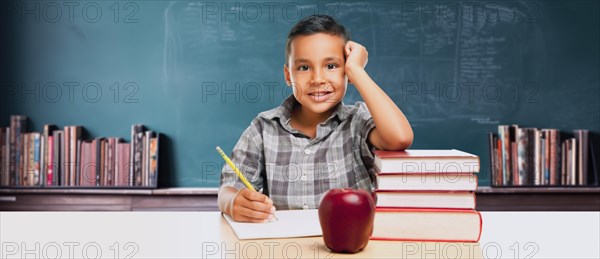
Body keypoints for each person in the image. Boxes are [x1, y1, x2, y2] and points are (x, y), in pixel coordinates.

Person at [218, 15, 413, 222]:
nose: (317, 79)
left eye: (331, 66)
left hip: (350, 249)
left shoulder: (357, 122)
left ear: (347, 71)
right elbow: (228, 189)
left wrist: (358, 71)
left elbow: (399, 138)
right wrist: (233, 202)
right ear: (287, 75)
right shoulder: (263, 128)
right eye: (304, 68)